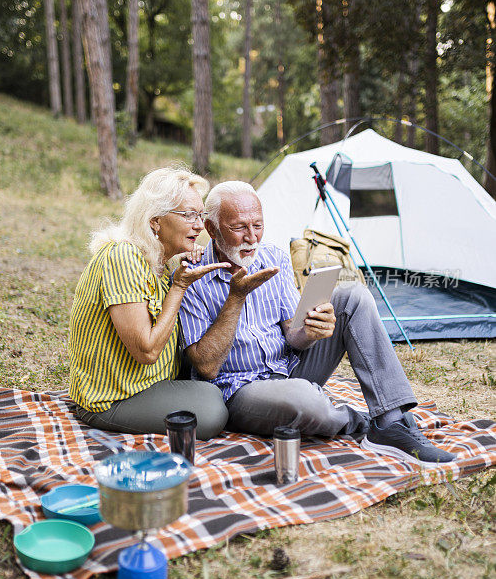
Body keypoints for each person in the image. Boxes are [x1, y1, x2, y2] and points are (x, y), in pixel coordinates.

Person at [178, 180, 455, 466]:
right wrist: (236, 297)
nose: (252, 237)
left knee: (354, 297)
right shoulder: (193, 276)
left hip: (290, 368)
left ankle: (390, 420)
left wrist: (310, 332)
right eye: (239, 228)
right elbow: (206, 367)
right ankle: (361, 422)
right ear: (211, 229)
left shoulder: (273, 257)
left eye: (258, 225)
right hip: (239, 389)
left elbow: (292, 334)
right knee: (304, 400)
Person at [68, 167, 230, 439]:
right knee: (213, 411)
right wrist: (179, 286)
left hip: (151, 385)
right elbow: (146, 351)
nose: (199, 225)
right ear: (155, 220)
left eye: (200, 215)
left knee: (218, 389)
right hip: (112, 398)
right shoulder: (122, 257)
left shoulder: (162, 263)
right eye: (189, 214)